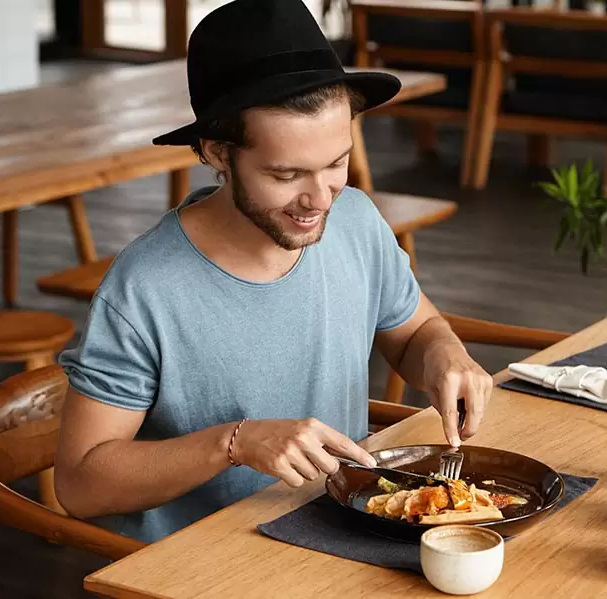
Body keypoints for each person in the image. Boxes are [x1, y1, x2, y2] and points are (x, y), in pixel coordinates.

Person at [52, 0, 493, 543]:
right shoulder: (145, 287)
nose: (318, 199)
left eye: (336, 162)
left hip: (343, 532)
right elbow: (79, 484)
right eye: (285, 174)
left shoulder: (354, 217)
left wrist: (446, 355)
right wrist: (233, 443)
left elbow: (415, 331)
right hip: (201, 565)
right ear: (217, 152)